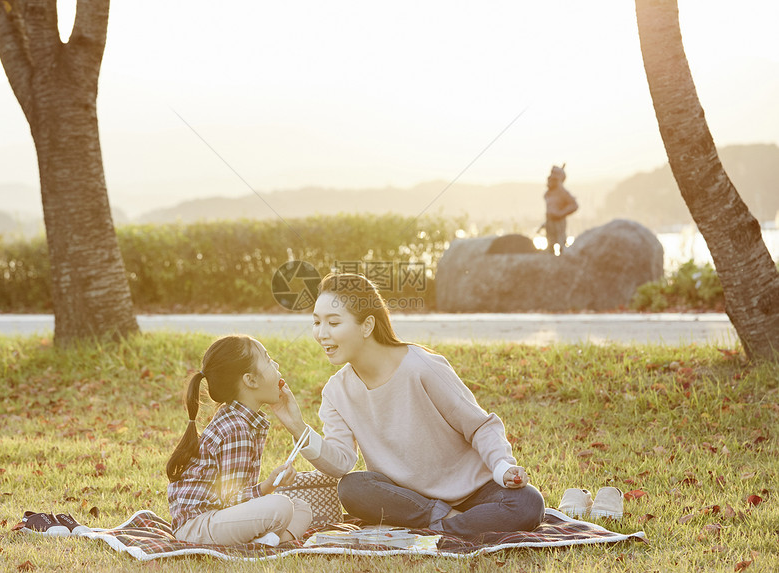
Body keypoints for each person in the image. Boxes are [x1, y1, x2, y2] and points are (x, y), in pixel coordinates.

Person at [272, 273, 546, 538]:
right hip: (410, 500)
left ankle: (440, 526)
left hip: (473, 491)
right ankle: (450, 523)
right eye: (316, 322)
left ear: (367, 326)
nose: (321, 334)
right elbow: (342, 463)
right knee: (352, 488)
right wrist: (297, 426)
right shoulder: (336, 391)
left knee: (528, 504)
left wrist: (501, 466)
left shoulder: (421, 367)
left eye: (333, 323)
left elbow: (479, 426)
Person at [166, 335, 312, 546]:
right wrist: (268, 486)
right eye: (269, 360)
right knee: (281, 506)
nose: (277, 365)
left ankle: (267, 540)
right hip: (199, 525)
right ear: (250, 380)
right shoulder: (237, 428)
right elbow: (229, 500)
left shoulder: (240, 419)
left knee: (300, 507)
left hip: (217, 518)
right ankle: (267, 540)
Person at [542, 164, 578, 255]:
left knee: (561, 243)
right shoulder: (548, 193)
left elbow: (574, 205)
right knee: (550, 244)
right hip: (550, 222)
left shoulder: (563, 192)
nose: (550, 180)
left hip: (558, 222)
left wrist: (561, 213)